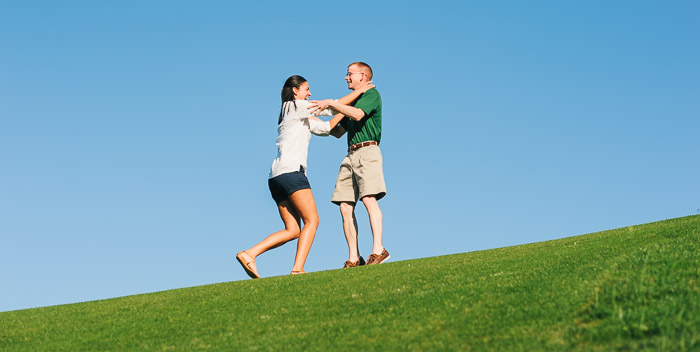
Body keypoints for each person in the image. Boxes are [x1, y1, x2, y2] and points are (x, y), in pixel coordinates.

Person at [236, 75, 374, 278]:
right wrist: (358, 93)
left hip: (276, 177)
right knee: (312, 220)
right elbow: (328, 108)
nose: (310, 94)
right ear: (295, 90)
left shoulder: (298, 115)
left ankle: (249, 254)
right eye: (306, 89)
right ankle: (297, 269)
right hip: (292, 173)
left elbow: (327, 128)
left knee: (293, 230)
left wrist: (347, 112)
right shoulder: (292, 106)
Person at [309, 62, 388, 268]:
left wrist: (332, 104)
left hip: (367, 151)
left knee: (369, 198)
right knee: (345, 206)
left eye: (349, 74)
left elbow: (359, 115)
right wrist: (307, 120)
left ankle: (379, 250)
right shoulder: (351, 103)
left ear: (363, 76)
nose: (346, 77)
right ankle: (354, 257)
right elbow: (335, 131)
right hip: (350, 154)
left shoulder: (371, 93)